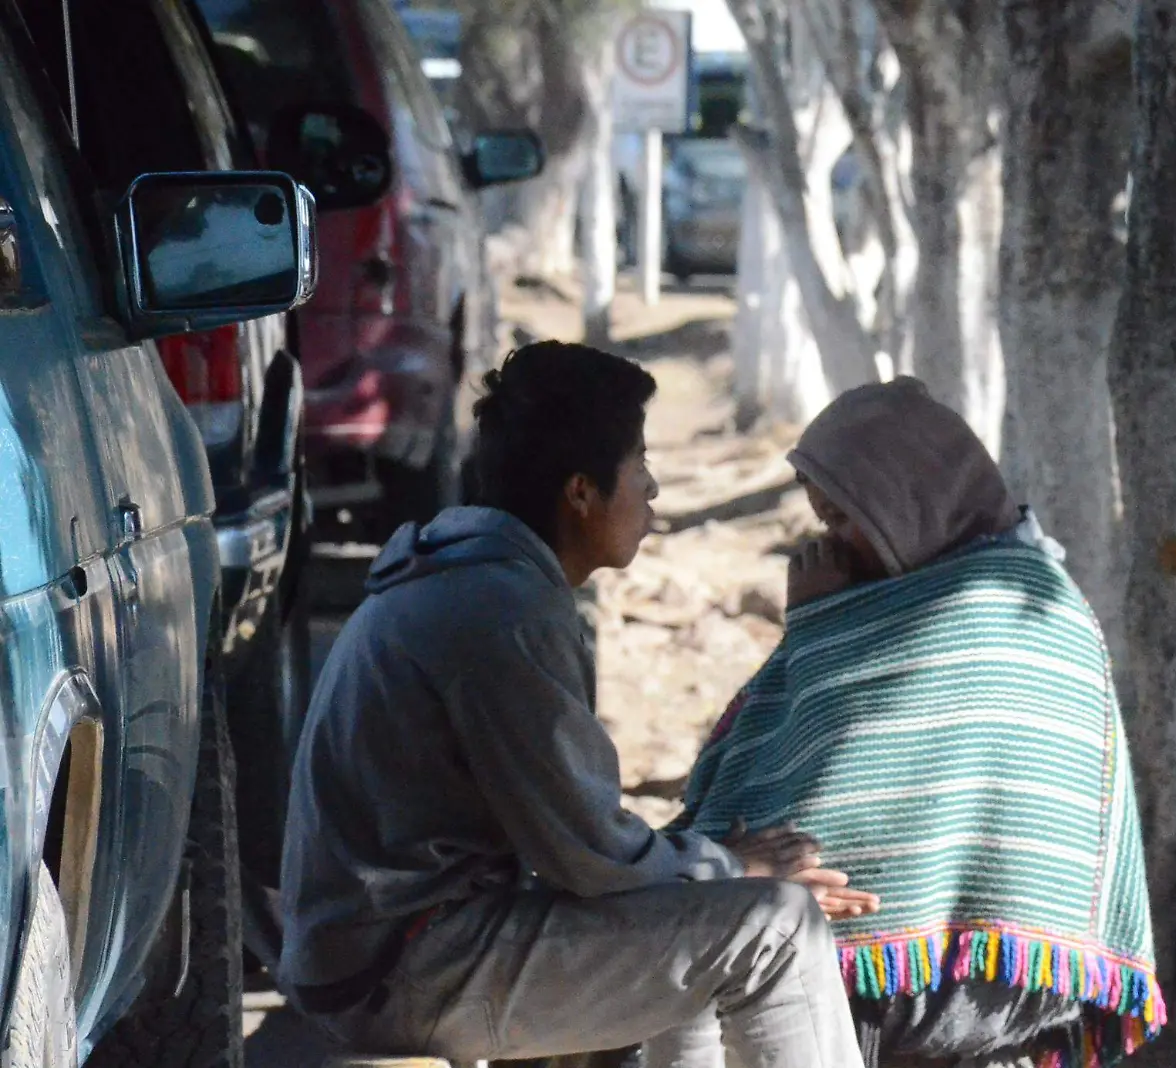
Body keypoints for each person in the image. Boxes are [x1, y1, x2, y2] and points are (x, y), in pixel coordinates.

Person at [277, 341, 877, 1065]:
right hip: (403, 965)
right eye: (640, 465)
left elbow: (589, 849)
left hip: (386, 950)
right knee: (779, 928)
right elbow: (591, 857)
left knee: (697, 921)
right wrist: (737, 865)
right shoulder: (502, 611)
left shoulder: (472, 573)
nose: (653, 489)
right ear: (581, 492)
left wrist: (712, 871)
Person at [661, 378, 1167, 1068]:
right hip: (979, 973)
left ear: (907, 503)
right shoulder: (1029, 587)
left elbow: (826, 787)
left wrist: (816, 625)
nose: (830, 545)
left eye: (842, 520)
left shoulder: (990, 607)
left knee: (714, 945)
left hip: (942, 973)